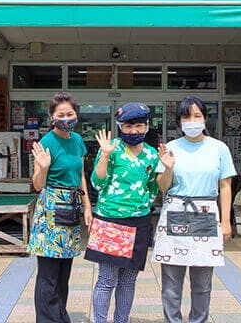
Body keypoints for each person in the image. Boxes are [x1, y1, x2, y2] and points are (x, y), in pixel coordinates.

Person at [152, 96, 237, 323]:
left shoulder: (219, 148)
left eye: (197, 116)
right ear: (179, 122)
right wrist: (168, 168)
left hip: (205, 212)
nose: (192, 121)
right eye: (186, 116)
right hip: (176, 208)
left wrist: (226, 221)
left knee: (202, 282)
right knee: (171, 282)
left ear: (205, 119)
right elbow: (162, 186)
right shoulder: (170, 148)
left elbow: (225, 186)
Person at [86, 102, 159, 323]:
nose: (134, 131)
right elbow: (97, 183)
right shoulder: (111, 148)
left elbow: (153, 188)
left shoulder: (152, 154)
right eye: (128, 126)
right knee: (107, 279)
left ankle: (122, 320)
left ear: (146, 126)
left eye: (139, 125)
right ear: (120, 127)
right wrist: (106, 155)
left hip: (139, 221)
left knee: (129, 280)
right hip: (110, 221)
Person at [29, 92, 93, 323]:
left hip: (72, 206)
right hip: (51, 209)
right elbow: (37, 185)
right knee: (48, 274)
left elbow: (81, 175)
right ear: (51, 116)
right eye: (61, 115)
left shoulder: (77, 140)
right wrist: (43, 167)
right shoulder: (46, 143)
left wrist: (87, 206)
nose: (66, 118)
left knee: (64, 270)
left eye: (70, 114)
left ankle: (60, 316)